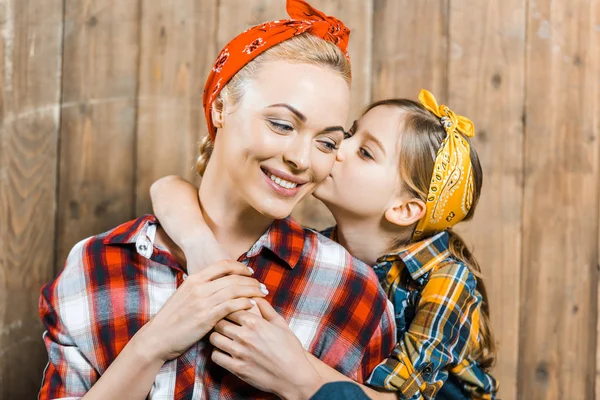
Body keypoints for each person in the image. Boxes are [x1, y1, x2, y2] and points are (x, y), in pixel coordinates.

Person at [37, 1, 396, 399]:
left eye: (327, 142)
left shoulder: (349, 289)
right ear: (222, 107)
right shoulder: (97, 267)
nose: (301, 158)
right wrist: (151, 345)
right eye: (281, 124)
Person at [150, 90, 499, 399]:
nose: (337, 148)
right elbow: (166, 188)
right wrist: (201, 248)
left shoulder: (448, 278)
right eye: (347, 133)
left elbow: (397, 397)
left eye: (364, 152)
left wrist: (293, 369)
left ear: (404, 209)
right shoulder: (323, 252)